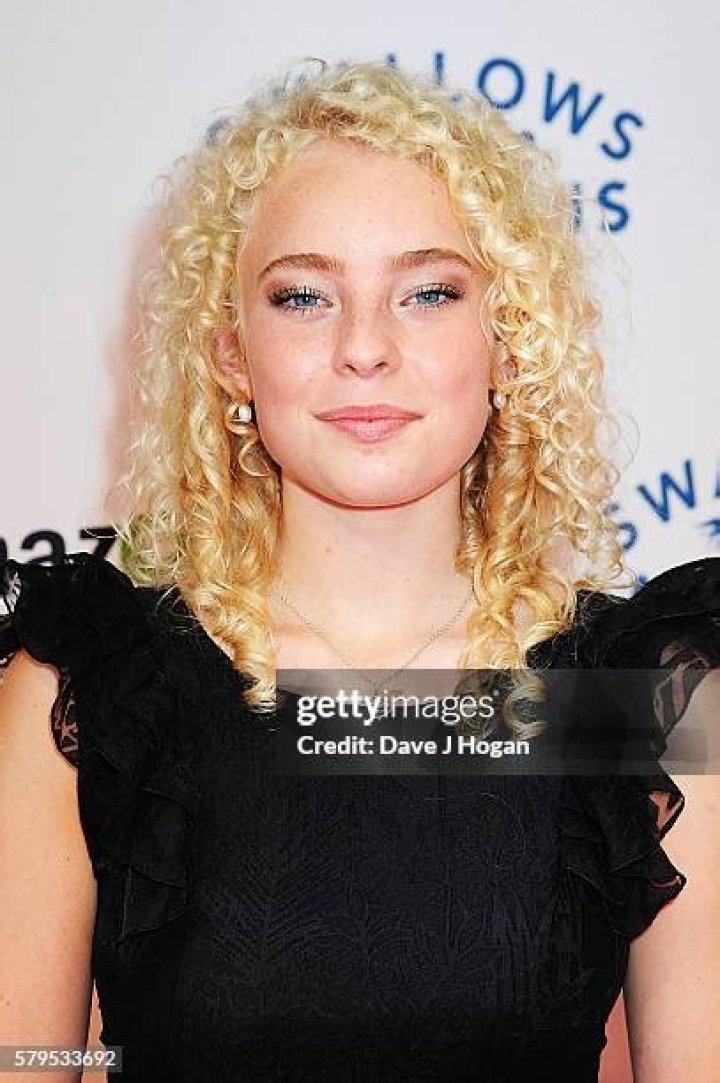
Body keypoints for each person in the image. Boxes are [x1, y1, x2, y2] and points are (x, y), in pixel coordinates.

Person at [0, 59, 719, 1083]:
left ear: (508, 341)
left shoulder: (635, 695)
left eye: (428, 293)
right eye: (303, 296)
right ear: (232, 353)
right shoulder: (94, 692)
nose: (365, 348)